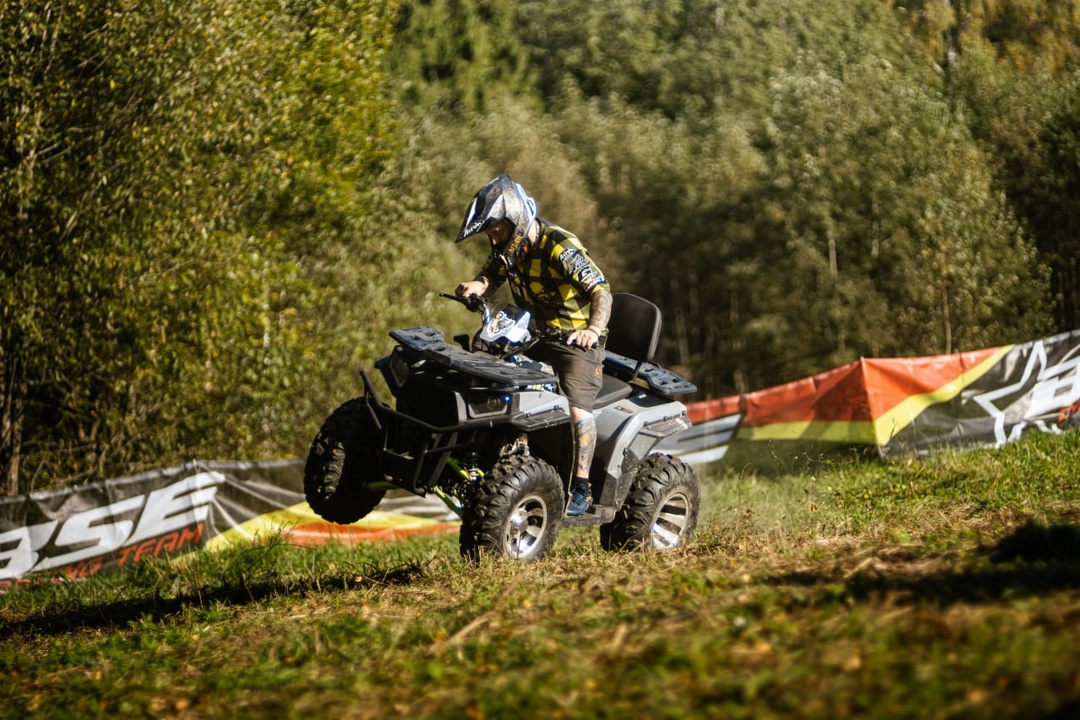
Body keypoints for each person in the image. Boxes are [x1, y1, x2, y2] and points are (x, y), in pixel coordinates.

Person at [454, 174, 612, 516]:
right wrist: (477, 286)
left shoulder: (559, 246)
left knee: (576, 405)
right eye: (490, 232)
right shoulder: (510, 248)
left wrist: (593, 330)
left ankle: (581, 486)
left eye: (496, 229)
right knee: (480, 372)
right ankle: (477, 455)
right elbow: (492, 274)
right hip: (529, 336)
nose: (493, 237)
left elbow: (601, 292)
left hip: (573, 341)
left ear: (516, 220)